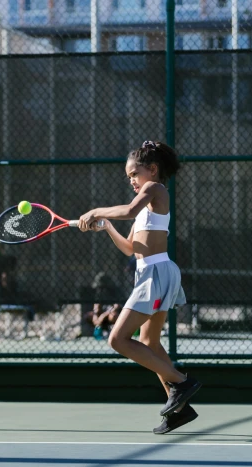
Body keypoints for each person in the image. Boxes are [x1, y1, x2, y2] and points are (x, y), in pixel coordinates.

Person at [78, 140, 200, 434]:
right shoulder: (146, 204)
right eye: (129, 176)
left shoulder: (155, 190)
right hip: (152, 272)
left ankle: (182, 383)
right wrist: (106, 225)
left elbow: (130, 210)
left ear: (153, 170)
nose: (131, 179)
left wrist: (97, 210)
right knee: (150, 343)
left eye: (135, 173)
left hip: (156, 273)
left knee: (118, 340)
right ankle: (179, 409)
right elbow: (131, 248)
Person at [83, 272, 122, 339]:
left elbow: (116, 306)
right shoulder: (99, 291)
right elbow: (96, 305)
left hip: (111, 312)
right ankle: (100, 331)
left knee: (113, 316)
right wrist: (95, 316)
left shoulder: (115, 291)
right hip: (101, 312)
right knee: (88, 316)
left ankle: (114, 332)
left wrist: (103, 315)